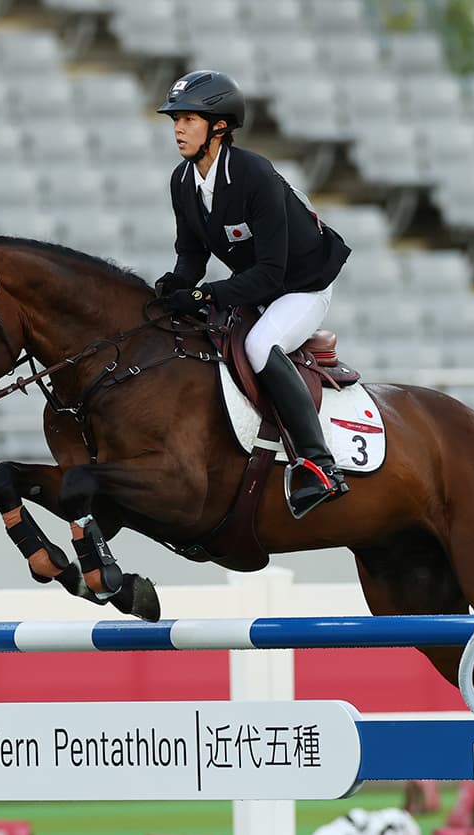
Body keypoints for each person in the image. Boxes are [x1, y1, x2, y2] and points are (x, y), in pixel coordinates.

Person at [153, 69, 353, 519]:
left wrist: (205, 297)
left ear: (219, 126)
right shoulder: (182, 182)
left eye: (188, 119)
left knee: (261, 345)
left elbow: (271, 272)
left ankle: (319, 465)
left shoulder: (254, 174)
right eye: (175, 120)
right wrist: (174, 286)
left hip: (302, 285)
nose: (178, 129)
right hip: (258, 285)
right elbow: (191, 256)